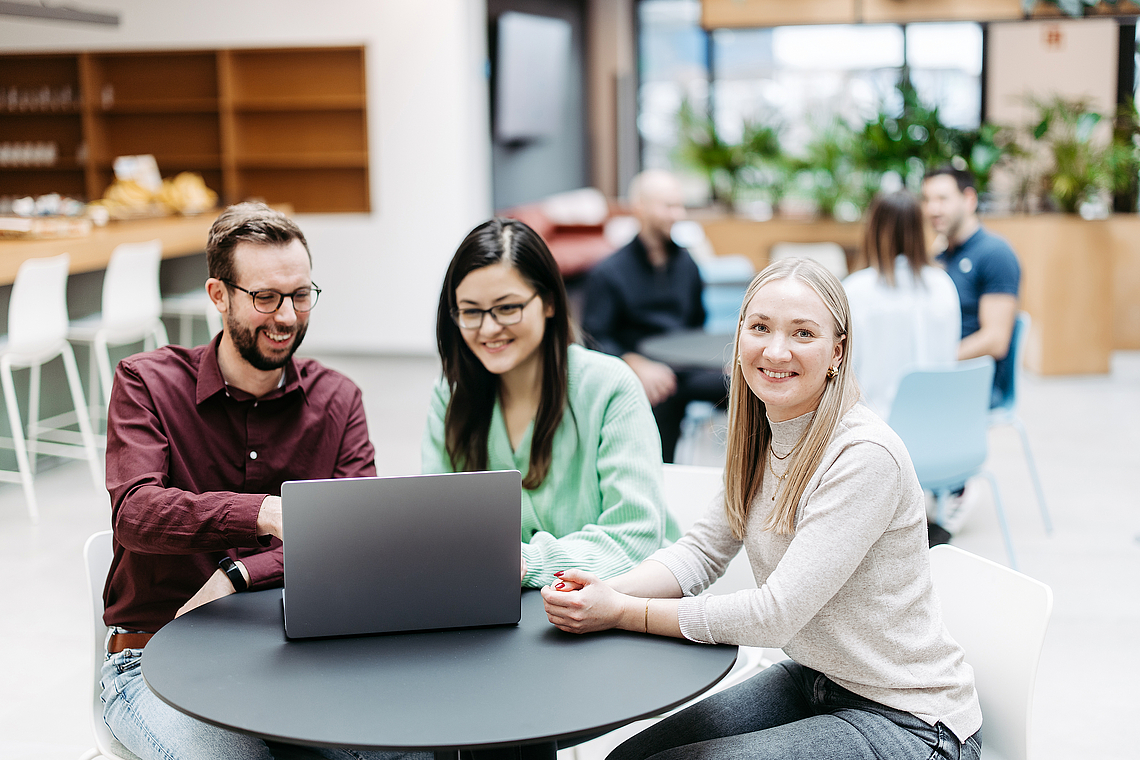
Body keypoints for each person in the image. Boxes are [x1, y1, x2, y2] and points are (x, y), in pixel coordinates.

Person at [541, 257, 982, 760]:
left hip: (911, 721)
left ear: (837, 351)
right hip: (819, 678)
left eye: (803, 333)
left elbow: (774, 616)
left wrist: (623, 613)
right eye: (760, 327)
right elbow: (701, 552)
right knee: (630, 758)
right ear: (739, 338)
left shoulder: (864, 456)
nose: (776, 350)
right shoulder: (759, 437)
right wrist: (603, 593)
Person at [102, 203, 424, 760]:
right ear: (218, 295)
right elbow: (135, 514)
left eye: (300, 295)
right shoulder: (146, 383)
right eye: (265, 298)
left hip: (300, 651)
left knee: (410, 751)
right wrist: (260, 513)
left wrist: (239, 572)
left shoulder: (338, 399)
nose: (286, 317)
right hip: (157, 654)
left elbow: (357, 535)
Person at [422, 217, 677, 589]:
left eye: (507, 307)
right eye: (471, 311)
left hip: (615, 608)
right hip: (503, 611)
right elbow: (435, 525)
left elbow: (635, 534)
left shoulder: (609, 386)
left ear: (550, 303)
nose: (489, 328)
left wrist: (527, 561)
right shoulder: (451, 393)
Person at [581, 170, 727, 463]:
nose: (678, 214)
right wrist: (635, 364)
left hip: (686, 367)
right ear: (640, 207)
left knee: (745, 385)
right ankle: (660, 479)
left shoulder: (687, 264)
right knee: (659, 393)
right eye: (668, 206)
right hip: (640, 369)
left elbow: (698, 322)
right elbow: (594, 337)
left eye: (679, 205)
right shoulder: (608, 273)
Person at [843, 189, 961, 419]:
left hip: (877, 430)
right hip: (942, 423)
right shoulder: (943, 285)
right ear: (920, 230)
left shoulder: (855, 290)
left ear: (873, 230)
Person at [923, 165, 1021, 408]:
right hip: (943, 374)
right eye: (927, 200)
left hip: (975, 382)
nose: (933, 209)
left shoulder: (995, 254)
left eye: (943, 199)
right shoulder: (941, 254)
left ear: (969, 200)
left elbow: (996, 340)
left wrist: (933, 360)